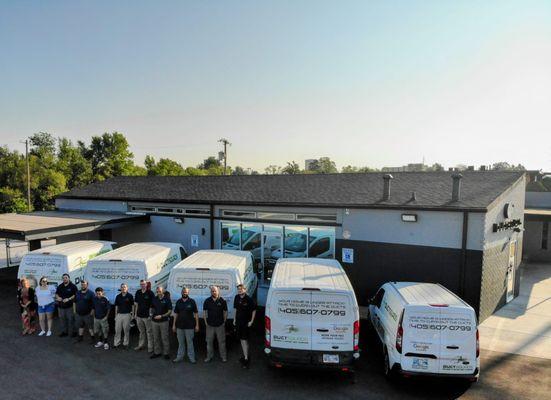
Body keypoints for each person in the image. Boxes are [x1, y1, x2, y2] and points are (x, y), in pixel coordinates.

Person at [172, 287, 199, 364]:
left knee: (190, 343)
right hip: (179, 326)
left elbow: (196, 314)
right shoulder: (178, 302)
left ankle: (191, 358)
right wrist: (174, 325)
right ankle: (179, 357)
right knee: (180, 343)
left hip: (189, 326)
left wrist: (197, 325)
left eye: (186, 292)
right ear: (181, 292)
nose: (185, 293)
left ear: (188, 293)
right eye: (183, 292)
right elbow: (176, 314)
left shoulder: (192, 301)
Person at [233, 284, 256, 369]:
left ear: (245, 290)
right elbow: (235, 309)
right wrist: (234, 319)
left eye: (241, 289)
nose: (239, 291)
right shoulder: (236, 297)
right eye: (238, 289)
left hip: (246, 323)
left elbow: (254, 310)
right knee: (242, 340)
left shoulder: (249, 299)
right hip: (238, 322)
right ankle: (245, 356)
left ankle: (246, 359)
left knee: (244, 340)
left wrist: (251, 321)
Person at [203, 286, 228, 363]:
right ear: (210, 292)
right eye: (212, 291)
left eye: (215, 291)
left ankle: (223, 357)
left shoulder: (222, 300)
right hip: (210, 325)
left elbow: (225, 312)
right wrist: (205, 322)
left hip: (220, 325)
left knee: (222, 342)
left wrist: (224, 321)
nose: (213, 292)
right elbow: (204, 312)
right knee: (209, 342)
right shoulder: (207, 301)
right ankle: (209, 356)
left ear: (218, 291)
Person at [150, 286, 172, 360]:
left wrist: (161, 316)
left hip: (164, 321)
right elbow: (152, 307)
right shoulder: (154, 299)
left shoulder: (167, 299)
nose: (158, 292)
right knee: (156, 337)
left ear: (163, 291)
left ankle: (166, 353)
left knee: (164, 338)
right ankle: (157, 352)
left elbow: (169, 311)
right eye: (157, 291)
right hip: (154, 322)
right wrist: (151, 314)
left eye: (159, 291)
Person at [133, 280, 154, 353]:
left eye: (144, 284)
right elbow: (136, 304)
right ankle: (141, 345)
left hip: (147, 316)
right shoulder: (138, 292)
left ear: (146, 285)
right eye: (141, 284)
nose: (142, 285)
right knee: (141, 332)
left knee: (149, 332)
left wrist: (150, 314)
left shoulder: (150, 293)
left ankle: (150, 347)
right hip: (139, 315)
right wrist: (135, 314)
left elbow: (152, 305)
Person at [114, 283, 134, 349]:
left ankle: (126, 344)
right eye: (122, 287)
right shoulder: (118, 296)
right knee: (117, 330)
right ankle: (116, 343)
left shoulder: (130, 296)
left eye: (124, 287)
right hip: (119, 315)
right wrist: (116, 315)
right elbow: (116, 306)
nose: (123, 288)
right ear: (121, 288)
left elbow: (133, 306)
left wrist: (133, 315)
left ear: (127, 288)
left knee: (126, 330)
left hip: (127, 315)